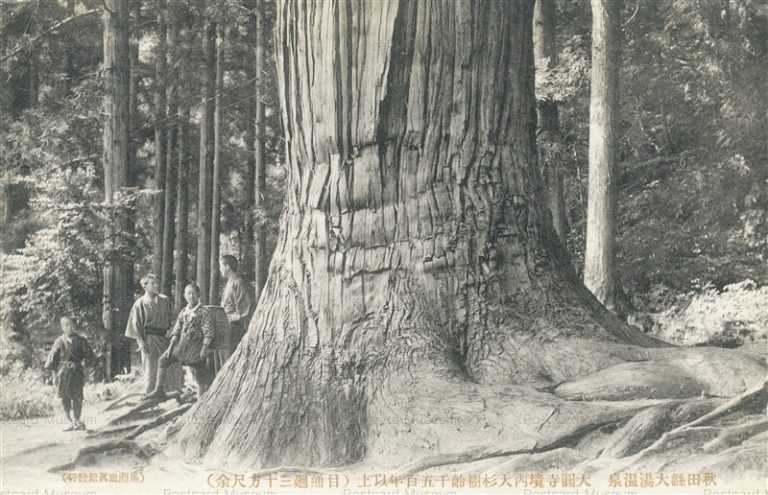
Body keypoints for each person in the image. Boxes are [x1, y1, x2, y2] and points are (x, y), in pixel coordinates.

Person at [145, 284, 215, 400]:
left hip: (196, 348)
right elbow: (176, 331)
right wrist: (170, 348)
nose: (191, 296)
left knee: (199, 375)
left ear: (198, 295)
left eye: (193, 293)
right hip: (181, 347)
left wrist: (204, 349)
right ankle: (159, 390)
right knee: (163, 360)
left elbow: (209, 332)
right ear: (184, 296)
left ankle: (201, 400)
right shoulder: (183, 312)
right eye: (188, 293)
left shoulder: (204, 312)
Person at [124, 274, 183, 397]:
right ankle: (150, 393)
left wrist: (172, 332)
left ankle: (170, 392)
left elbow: (173, 319)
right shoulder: (140, 303)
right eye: (152, 283)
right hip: (149, 339)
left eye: (157, 283)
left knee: (169, 365)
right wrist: (141, 342)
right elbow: (135, 325)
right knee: (150, 367)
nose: (156, 285)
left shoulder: (165, 300)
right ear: (145, 286)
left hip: (165, 338)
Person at [44, 315, 96, 431]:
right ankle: (69, 421)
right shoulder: (59, 342)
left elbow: (90, 357)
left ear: (75, 326)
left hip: (77, 372)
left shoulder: (82, 341)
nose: (69, 327)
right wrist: (53, 376)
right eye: (66, 325)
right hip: (63, 374)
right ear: (62, 327)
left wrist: (85, 368)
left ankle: (77, 420)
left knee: (78, 397)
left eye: (72, 324)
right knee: (64, 397)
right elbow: (52, 360)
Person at [219, 255, 252, 350]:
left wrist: (229, 318)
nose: (220, 269)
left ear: (227, 267)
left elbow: (244, 311)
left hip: (234, 329)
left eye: (221, 266)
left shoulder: (238, 282)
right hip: (225, 327)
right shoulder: (229, 283)